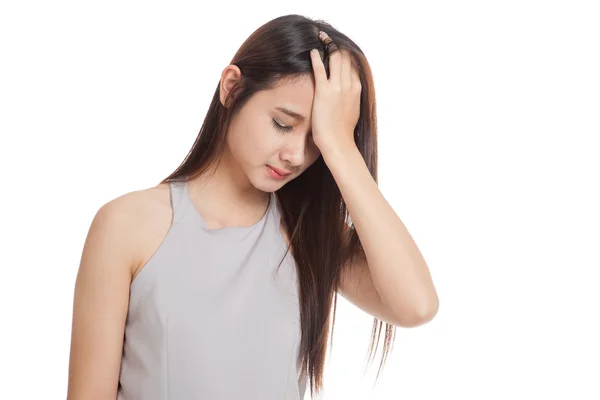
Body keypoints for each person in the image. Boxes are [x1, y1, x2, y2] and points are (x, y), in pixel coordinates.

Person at [66, 14, 439, 400]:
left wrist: (342, 146)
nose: (296, 155)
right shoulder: (127, 226)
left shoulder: (305, 233)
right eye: (283, 123)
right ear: (232, 87)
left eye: (317, 140)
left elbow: (417, 305)